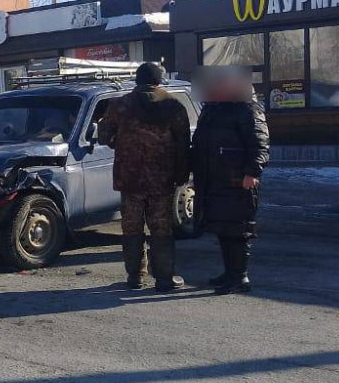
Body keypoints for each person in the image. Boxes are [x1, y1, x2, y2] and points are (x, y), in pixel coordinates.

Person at [98, 62, 191, 291]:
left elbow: (104, 136)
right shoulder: (173, 105)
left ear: (137, 80)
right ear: (159, 81)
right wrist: (181, 173)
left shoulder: (119, 105)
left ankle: (135, 277)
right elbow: (183, 144)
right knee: (161, 228)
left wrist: (118, 142)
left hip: (130, 179)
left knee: (131, 227)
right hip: (162, 179)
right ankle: (164, 278)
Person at [191, 76, 269, 294]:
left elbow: (260, 144)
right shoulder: (214, 109)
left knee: (239, 229)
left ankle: (240, 277)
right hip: (215, 178)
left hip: (237, 179)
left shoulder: (247, 109)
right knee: (223, 228)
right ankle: (230, 272)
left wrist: (252, 172)